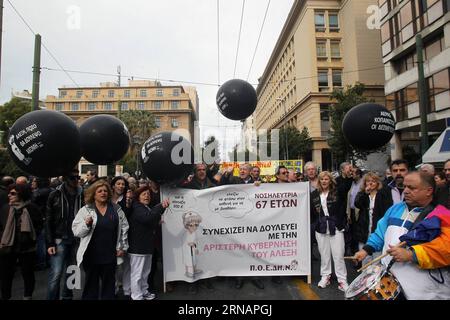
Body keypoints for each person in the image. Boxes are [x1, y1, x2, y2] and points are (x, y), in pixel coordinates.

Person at [354, 171, 450, 299]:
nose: (405, 191)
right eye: (404, 186)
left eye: (412, 188)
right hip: (392, 284)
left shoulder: (443, 215)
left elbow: (446, 249)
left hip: (426, 290)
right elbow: (381, 232)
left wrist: (412, 254)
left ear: (429, 191)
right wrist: (366, 250)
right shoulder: (395, 209)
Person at [72, 180, 129, 300]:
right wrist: (86, 225)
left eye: (105, 191)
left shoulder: (116, 209)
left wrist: (122, 247)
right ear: (94, 194)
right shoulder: (86, 210)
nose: (103, 193)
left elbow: (124, 228)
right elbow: (76, 232)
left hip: (109, 256)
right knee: (91, 288)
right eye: (99, 191)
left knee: (109, 288)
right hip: (91, 256)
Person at [46, 169, 84, 300]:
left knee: (73, 271)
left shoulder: (82, 194)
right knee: (56, 273)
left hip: (76, 239)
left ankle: (67, 296)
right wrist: (50, 242)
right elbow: (49, 220)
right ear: (65, 179)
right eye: (72, 178)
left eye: (77, 177)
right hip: (59, 238)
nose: (76, 180)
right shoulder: (55, 194)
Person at [125, 186, 169, 300]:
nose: (147, 196)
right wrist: (160, 207)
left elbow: (151, 219)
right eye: (144, 194)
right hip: (138, 247)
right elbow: (147, 218)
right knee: (137, 274)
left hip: (146, 246)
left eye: (148, 194)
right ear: (138, 196)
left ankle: (144, 291)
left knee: (145, 273)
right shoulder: (137, 207)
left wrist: (161, 210)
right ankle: (136, 295)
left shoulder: (146, 207)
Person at [0, 183, 43, 300]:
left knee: (28, 274)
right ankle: (5, 297)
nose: (9, 195)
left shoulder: (31, 208)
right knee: (6, 275)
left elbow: (39, 225)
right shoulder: (5, 208)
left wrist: (31, 237)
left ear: (21, 194)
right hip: (8, 248)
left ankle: (27, 296)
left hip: (27, 248)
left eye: (13, 193)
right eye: (9, 193)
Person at [310, 171, 348, 292]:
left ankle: (342, 280)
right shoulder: (314, 194)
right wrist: (316, 223)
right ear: (319, 181)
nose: (324, 181)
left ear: (330, 180)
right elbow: (312, 212)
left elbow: (342, 208)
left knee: (338, 255)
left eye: (326, 179)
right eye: (322, 179)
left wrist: (341, 223)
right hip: (321, 227)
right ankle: (325, 276)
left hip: (335, 226)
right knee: (324, 255)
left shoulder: (338, 192)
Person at [353, 172, 392, 265]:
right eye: (368, 181)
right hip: (364, 228)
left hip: (377, 227)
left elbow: (386, 210)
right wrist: (365, 193)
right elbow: (357, 204)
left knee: (377, 258)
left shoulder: (382, 194)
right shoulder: (363, 194)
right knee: (365, 259)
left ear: (378, 183)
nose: (370, 184)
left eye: (373, 181)